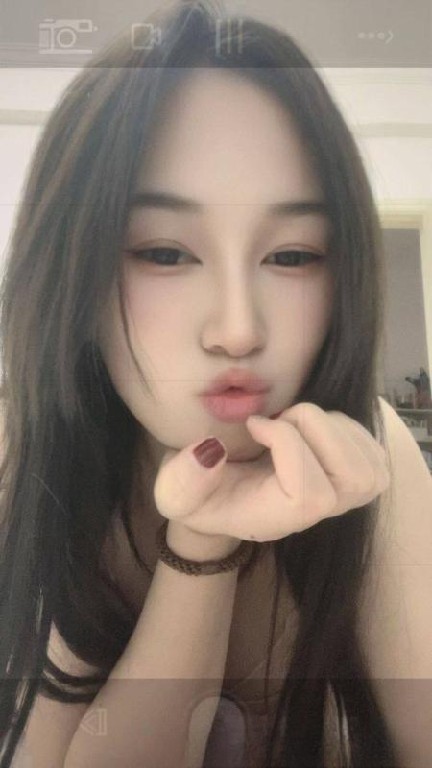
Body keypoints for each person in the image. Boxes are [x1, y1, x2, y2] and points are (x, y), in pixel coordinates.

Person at [1, 1, 431, 766]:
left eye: (292, 255)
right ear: (75, 274)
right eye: (165, 253)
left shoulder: (371, 454)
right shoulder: (24, 459)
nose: (237, 329)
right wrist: (202, 542)